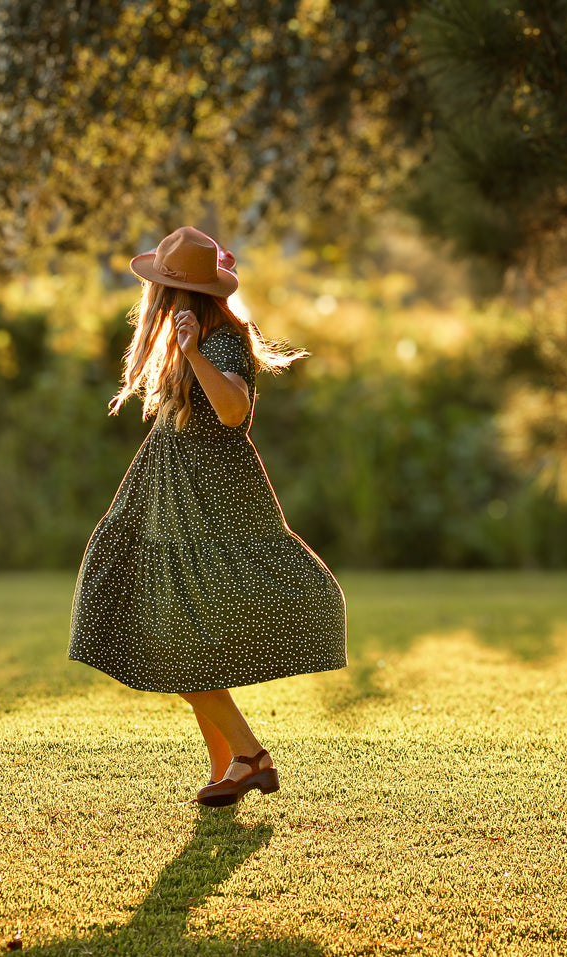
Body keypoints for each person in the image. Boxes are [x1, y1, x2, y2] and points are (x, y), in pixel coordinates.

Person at [69, 226, 347, 807]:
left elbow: (230, 411)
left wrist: (193, 352)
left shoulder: (219, 341)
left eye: (162, 287)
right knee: (180, 639)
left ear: (179, 293)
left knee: (182, 642)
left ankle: (250, 758)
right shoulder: (190, 337)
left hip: (208, 508)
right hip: (171, 505)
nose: (152, 298)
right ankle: (227, 769)